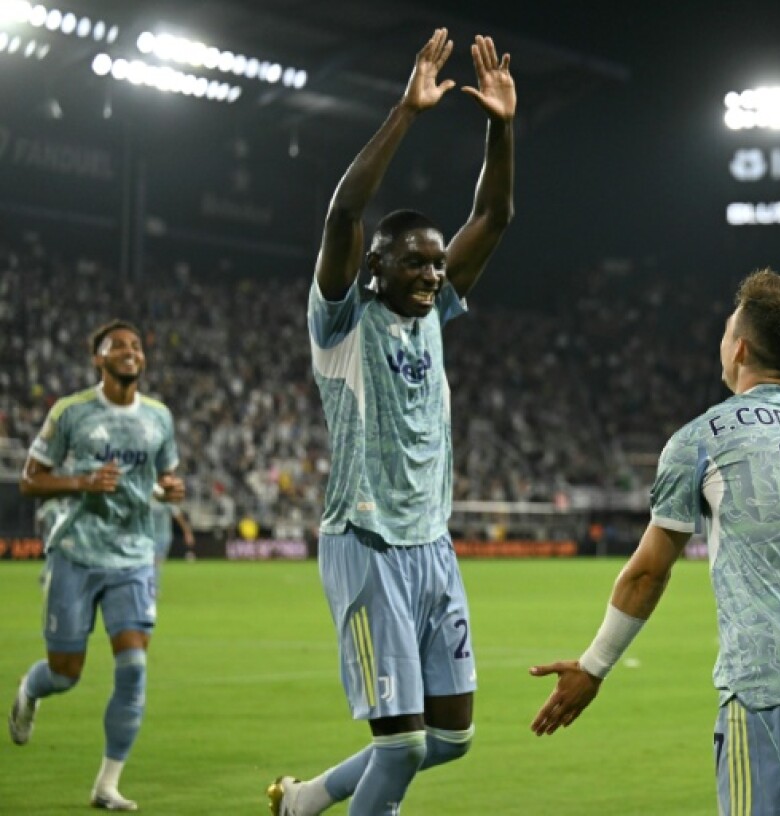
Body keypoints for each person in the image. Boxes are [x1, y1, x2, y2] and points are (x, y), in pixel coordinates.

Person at [267, 27, 515, 816]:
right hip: (365, 543)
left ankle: (305, 801)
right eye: (416, 261)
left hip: (431, 546)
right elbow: (346, 211)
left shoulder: (435, 314)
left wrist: (501, 126)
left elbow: (496, 215)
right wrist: (406, 110)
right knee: (400, 746)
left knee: (450, 739)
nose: (433, 273)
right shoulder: (341, 321)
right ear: (378, 268)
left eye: (438, 263)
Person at [531, 269, 780, 816]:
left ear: (739, 348)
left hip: (771, 679)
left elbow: (649, 572)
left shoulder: (704, 437)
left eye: (725, 331)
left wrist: (594, 665)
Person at [9, 319, 185, 812]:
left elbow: (164, 476)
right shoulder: (71, 412)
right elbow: (29, 479)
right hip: (77, 554)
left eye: (135, 345)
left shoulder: (159, 418)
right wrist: (83, 482)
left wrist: (170, 489)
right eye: (117, 346)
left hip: (133, 557)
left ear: (143, 360)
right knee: (66, 672)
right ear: (98, 359)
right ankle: (30, 689)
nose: (129, 351)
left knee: (133, 666)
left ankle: (107, 785)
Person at [151, 500, 195, 576]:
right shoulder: (147, 499)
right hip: (149, 537)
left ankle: (153, 585)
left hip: (163, 537)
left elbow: (178, 515)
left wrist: (187, 532)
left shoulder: (166, 500)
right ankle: (152, 585)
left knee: (156, 563)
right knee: (150, 564)